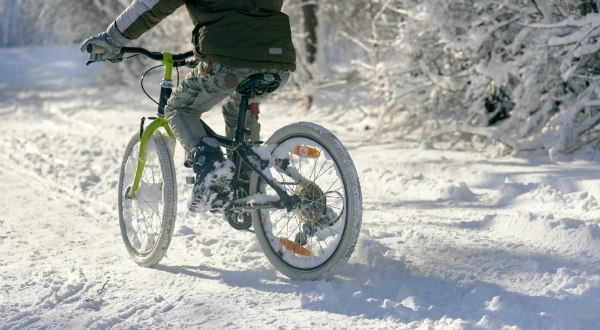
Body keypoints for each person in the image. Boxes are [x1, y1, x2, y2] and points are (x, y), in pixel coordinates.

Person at [80, 0, 296, 211]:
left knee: (178, 109)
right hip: (278, 61)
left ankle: (213, 168)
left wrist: (111, 39)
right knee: (236, 107)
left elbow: (149, 6)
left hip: (230, 59)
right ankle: (248, 183)